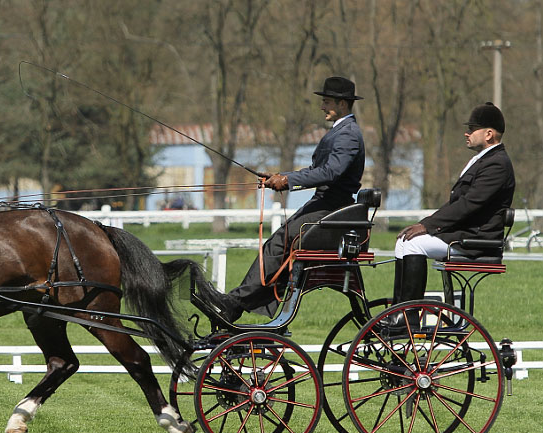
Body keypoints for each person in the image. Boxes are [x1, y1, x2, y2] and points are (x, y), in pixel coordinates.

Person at [215, 76, 366, 321]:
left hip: (332, 207)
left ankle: (236, 303)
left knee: (279, 242)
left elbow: (331, 172)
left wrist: (287, 181)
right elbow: (318, 170)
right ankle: (241, 301)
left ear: (342, 104)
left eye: (326, 101)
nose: (322, 106)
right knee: (278, 242)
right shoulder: (341, 131)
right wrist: (282, 176)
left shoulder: (348, 134)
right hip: (324, 205)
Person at [391, 102, 515, 306]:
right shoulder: (482, 160)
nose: (467, 133)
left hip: (476, 241)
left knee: (413, 244)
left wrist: (427, 226)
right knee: (404, 241)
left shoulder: (497, 164)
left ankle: (408, 316)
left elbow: (468, 205)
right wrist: (427, 223)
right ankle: (399, 310)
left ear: (489, 134)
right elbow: (456, 203)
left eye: (472, 129)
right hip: (464, 234)